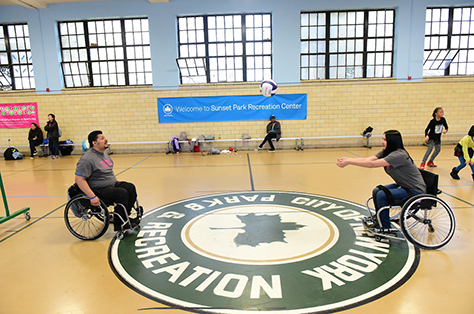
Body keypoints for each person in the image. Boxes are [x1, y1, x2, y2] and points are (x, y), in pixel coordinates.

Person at [337, 130, 426, 230]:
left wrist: (349, 162)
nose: (382, 142)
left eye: (385, 139)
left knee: (382, 195)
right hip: (404, 186)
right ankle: (380, 218)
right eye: (382, 139)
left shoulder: (399, 155)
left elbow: (372, 165)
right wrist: (347, 159)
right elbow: (367, 160)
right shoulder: (387, 152)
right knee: (377, 190)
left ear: (392, 141)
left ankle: (385, 226)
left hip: (415, 190)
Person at [75, 130, 140, 232]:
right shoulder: (87, 159)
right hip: (98, 189)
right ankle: (120, 224)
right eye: (102, 138)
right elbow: (79, 179)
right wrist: (92, 196)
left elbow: (108, 171)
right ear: (94, 143)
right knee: (121, 193)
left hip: (111, 185)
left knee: (130, 187)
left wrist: (116, 182)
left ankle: (125, 217)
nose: (106, 140)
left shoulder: (104, 155)